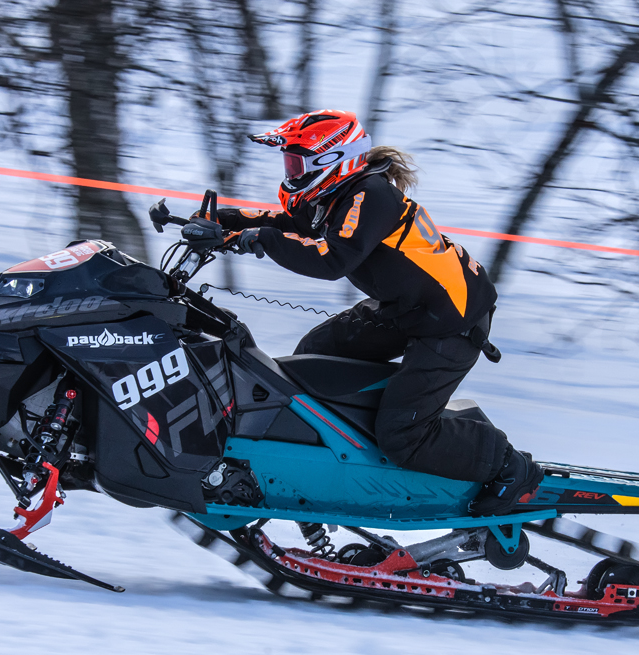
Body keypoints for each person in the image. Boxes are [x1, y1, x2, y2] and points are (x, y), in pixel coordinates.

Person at [214, 110, 543, 517]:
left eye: (297, 162)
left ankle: (509, 465)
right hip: (408, 307)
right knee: (313, 360)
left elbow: (331, 259)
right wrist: (222, 220)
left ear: (330, 159)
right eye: (290, 162)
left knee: (404, 434)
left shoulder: (370, 194)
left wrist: (256, 239)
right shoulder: (339, 194)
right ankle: (347, 450)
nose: (291, 172)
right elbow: (290, 223)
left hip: (451, 320)